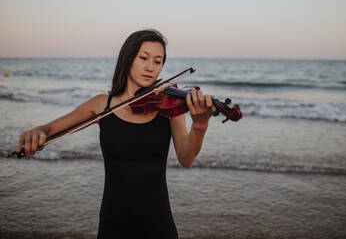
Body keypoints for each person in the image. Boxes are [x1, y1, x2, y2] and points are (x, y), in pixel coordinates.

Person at [16, 29, 215, 238]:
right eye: (143, 58)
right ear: (128, 58)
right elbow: (48, 130)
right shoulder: (102, 104)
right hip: (113, 222)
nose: (150, 67)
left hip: (158, 223)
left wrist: (200, 126)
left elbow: (186, 158)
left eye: (158, 61)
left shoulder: (168, 108)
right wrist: (36, 132)